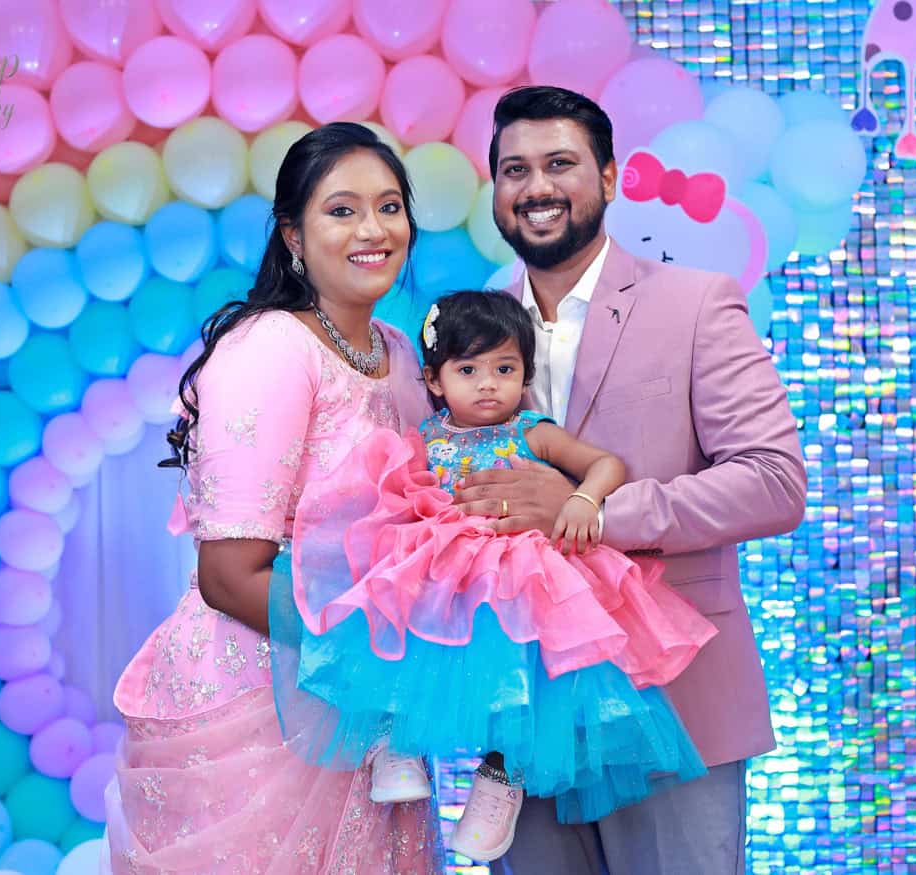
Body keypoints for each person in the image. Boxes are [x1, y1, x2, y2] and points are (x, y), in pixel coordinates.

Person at [455, 86, 809, 874]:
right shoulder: (469, 331)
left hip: (674, 705)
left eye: (559, 164)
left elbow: (773, 480)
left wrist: (594, 513)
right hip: (527, 717)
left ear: (608, 179)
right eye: (514, 169)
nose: (536, 187)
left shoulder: (694, 303)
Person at [272, 290, 718, 862]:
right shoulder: (426, 438)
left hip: (518, 577)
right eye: (468, 370)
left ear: (525, 375)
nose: (488, 384)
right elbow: (394, 494)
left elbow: (606, 464)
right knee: (396, 624)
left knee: (525, 681)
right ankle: (399, 747)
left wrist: (585, 499)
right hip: (447, 577)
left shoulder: (532, 431)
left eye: (504, 369)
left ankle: (500, 779)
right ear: (434, 380)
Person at [104, 122, 443, 874]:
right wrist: (365, 656)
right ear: (293, 234)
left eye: (390, 207)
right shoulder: (268, 349)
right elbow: (228, 575)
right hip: (264, 705)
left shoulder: (395, 351)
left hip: (372, 705)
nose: (373, 229)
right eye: (342, 210)